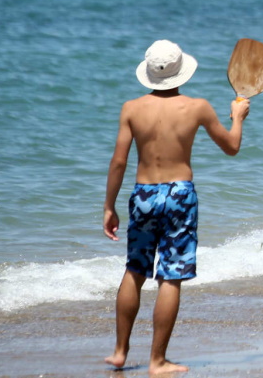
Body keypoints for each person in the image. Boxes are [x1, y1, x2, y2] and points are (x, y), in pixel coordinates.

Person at [103, 40, 250, 375]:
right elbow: (231, 146)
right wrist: (237, 116)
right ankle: (157, 361)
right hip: (180, 195)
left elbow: (118, 162)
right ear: (181, 71)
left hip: (143, 193)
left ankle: (120, 352)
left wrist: (109, 206)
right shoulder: (197, 107)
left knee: (135, 270)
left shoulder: (131, 108)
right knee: (170, 276)